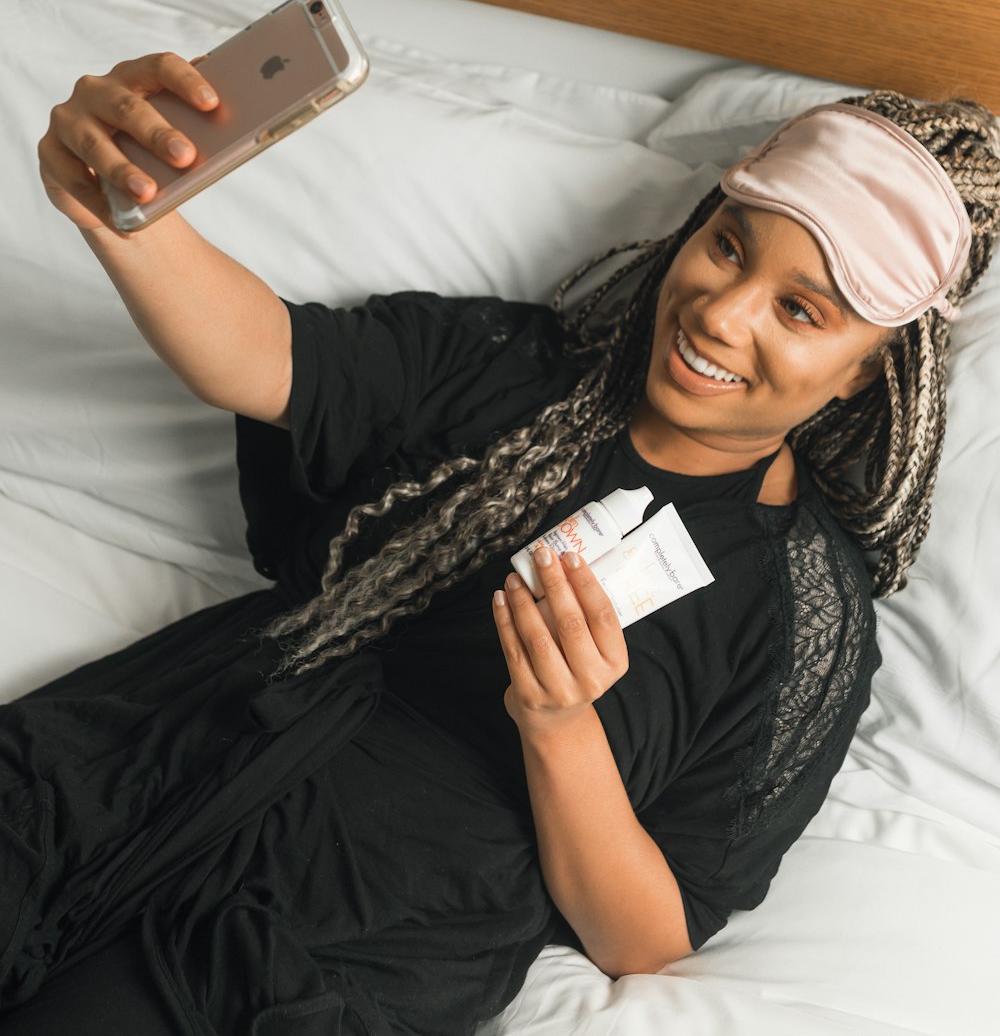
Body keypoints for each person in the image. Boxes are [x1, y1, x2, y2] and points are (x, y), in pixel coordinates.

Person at [2, 52, 998, 1036]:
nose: (722, 312)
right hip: (173, 746)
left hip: (348, 928)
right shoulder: (514, 366)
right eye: (730, 247)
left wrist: (560, 726)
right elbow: (267, 356)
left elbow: (648, 936)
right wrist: (119, 214)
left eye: (799, 310)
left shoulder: (799, 616)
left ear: (862, 375)